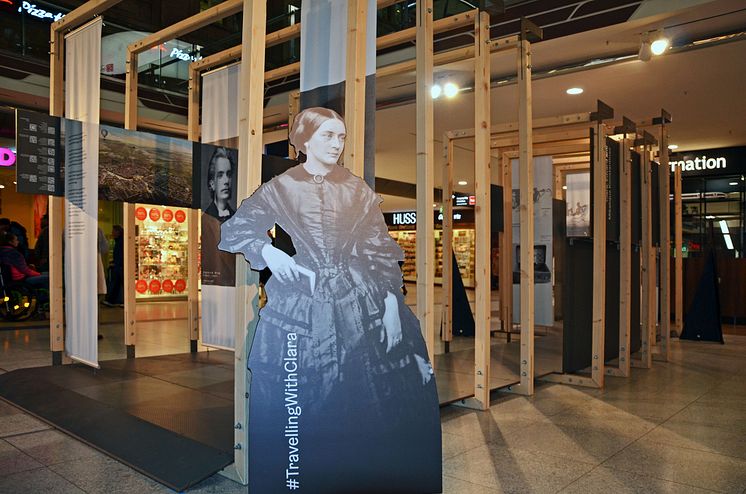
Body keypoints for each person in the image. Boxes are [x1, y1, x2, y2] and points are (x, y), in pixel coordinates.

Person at [219, 107, 441, 493]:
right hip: (301, 307)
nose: (337, 144)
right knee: (305, 399)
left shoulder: (355, 187)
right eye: (328, 136)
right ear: (304, 141)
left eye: (341, 136)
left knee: (364, 401)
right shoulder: (282, 186)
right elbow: (237, 227)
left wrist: (391, 303)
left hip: (358, 303)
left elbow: (380, 250)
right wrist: (269, 252)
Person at [202, 147, 237, 286]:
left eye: (228, 174)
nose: (226, 181)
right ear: (212, 183)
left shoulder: (238, 219)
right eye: (220, 175)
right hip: (216, 287)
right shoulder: (205, 220)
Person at [103, 225, 123, 307]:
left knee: (117, 283)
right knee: (117, 283)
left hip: (120, 266)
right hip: (119, 266)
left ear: (118, 232)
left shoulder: (120, 242)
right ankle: (112, 300)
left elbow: (120, 254)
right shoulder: (118, 241)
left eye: (114, 231)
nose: (112, 233)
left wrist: (117, 263)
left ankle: (112, 300)